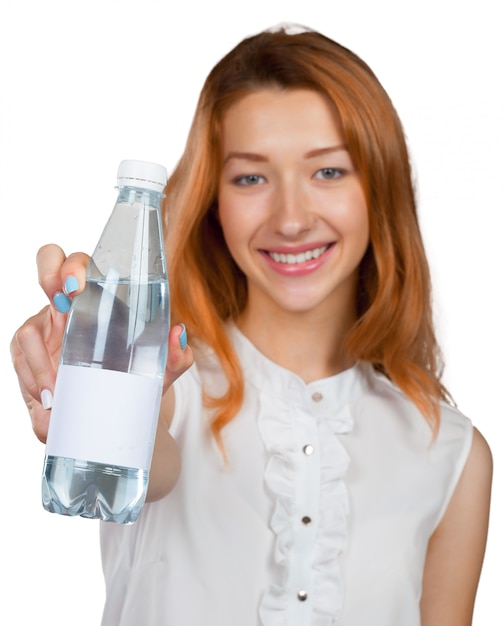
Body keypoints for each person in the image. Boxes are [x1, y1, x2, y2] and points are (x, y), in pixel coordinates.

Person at [10, 23, 492, 626]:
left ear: (381, 187)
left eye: (329, 171)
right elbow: (145, 453)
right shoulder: (169, 381)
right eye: (251, 178)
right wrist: (97, 393)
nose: (291, 219)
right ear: (214, 200)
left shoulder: (451, 453)